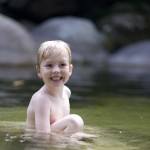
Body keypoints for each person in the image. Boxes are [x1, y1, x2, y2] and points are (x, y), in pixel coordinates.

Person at [26, 40, 84, 136]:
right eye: (49, 65)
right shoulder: (42, 100)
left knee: (76, 124)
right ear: (39, 70)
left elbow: (62, 127)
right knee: (74, 121)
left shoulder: (66, 92)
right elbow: (42, 137)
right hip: (37, 142)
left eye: (62, 65)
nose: (56, 70)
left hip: (55, 137)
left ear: (70, 69)